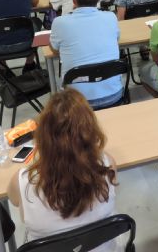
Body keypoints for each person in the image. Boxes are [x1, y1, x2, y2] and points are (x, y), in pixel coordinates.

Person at [7, 88, 117, 249]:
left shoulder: (23, 182)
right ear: (91, 132)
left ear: (42, 137)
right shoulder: (107, 165)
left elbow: (13, 200)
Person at [49, 0, 123, 108]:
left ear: (74, 0)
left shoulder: (59, 22)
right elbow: (116, 40)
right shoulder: (111, 17)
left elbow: (55, 50)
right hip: (114, 95)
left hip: (76, 104)